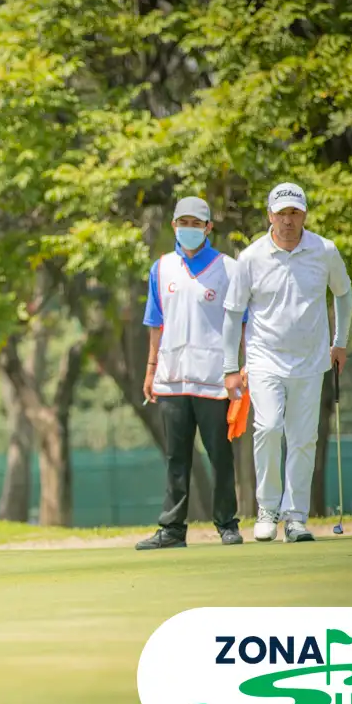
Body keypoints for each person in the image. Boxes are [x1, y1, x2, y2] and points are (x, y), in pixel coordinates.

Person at [222, 183, 352, 543]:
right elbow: (232, 313)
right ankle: (267, 510)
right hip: (264, 358)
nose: (288, 220)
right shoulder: (251, 258)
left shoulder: (324, 251)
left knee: (303, 439)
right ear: (270, 216)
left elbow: (343, 294)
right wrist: (230, 367)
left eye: (295, 212)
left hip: (311, 360)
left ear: (304, 215)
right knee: (267, 428)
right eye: (282, 213)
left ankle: (295, 517)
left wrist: (340, 342)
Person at [137, 197, 244, 550]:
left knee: (220, 456)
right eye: (183, 222)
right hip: (172, 378)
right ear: (173, 225)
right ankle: (172, 529)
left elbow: (242, 322)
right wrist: (150, 370)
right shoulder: (161, 268)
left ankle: (227, 524)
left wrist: (241, 368)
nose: (189, 228)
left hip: (214, 379)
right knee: (176, 458)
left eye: (196, 223)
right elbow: (156, 323)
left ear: (208, 227)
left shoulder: (229, 269)